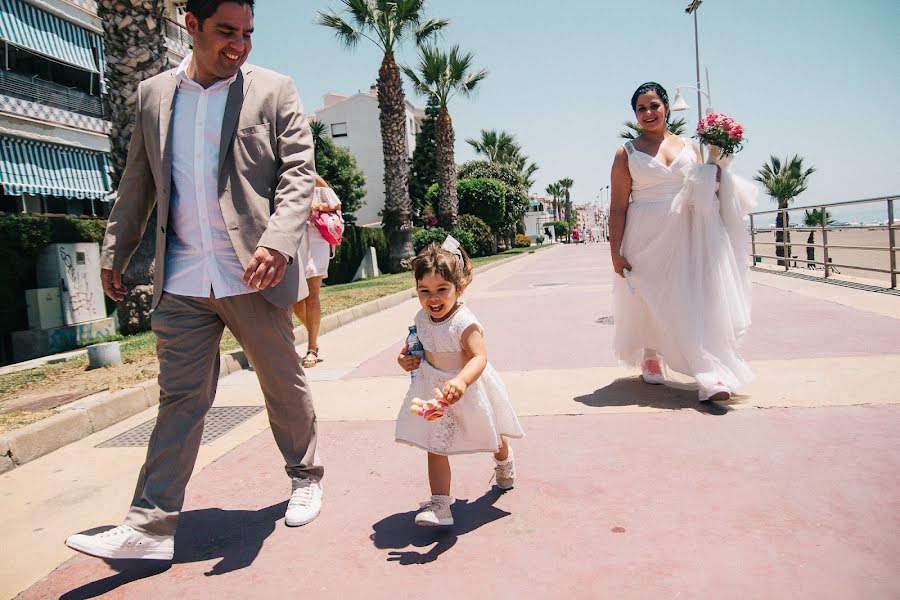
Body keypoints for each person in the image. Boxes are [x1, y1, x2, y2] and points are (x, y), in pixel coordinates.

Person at [65, 0, 323, 561]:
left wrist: (277, 244)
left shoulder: (274, 89)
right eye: (226, 32)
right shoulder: (155, 94)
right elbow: (138, 179)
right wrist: (117, 249)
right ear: (192, 25)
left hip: (252, 273)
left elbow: (299, 173)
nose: (240, 45)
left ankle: (305, 474)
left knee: (282, 382)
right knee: (181, 398)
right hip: (181, 276)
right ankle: (151, 527)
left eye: (248, 34)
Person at [608, 82, 756, 403]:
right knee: (650, 297)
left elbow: (708, 189)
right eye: (641, 108)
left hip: (687, 235)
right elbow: (618, 207)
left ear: (666, 108)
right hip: (644, 236)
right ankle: (651, 354)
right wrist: (615, 254)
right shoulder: (627, 153)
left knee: (689, 299)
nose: (648, 113)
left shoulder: (691, 147)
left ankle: (707, 371)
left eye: (654, 106)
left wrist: (717, 160)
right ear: (635, 114)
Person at [395, 238, 525, 527]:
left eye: (442, 289)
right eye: (424, 291)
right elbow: (414, 347)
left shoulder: (463, 321)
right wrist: (406, 360)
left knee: (491, 433)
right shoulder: (421, 317)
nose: (433, 298)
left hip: (467, 386)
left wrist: (463, 380)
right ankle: (440, 504)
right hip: (435, 390)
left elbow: (480, 356)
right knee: (435, 444)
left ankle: (504, 460)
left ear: (459, 287)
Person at [292, 174, 341, 368]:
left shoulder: (313, 178)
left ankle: (312, 347)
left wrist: (315, 207)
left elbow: (336, 205)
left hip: (317, 239)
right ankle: (314, 333)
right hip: (295, 241)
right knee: (296, 302)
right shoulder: (284, 178)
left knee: (312, 295)